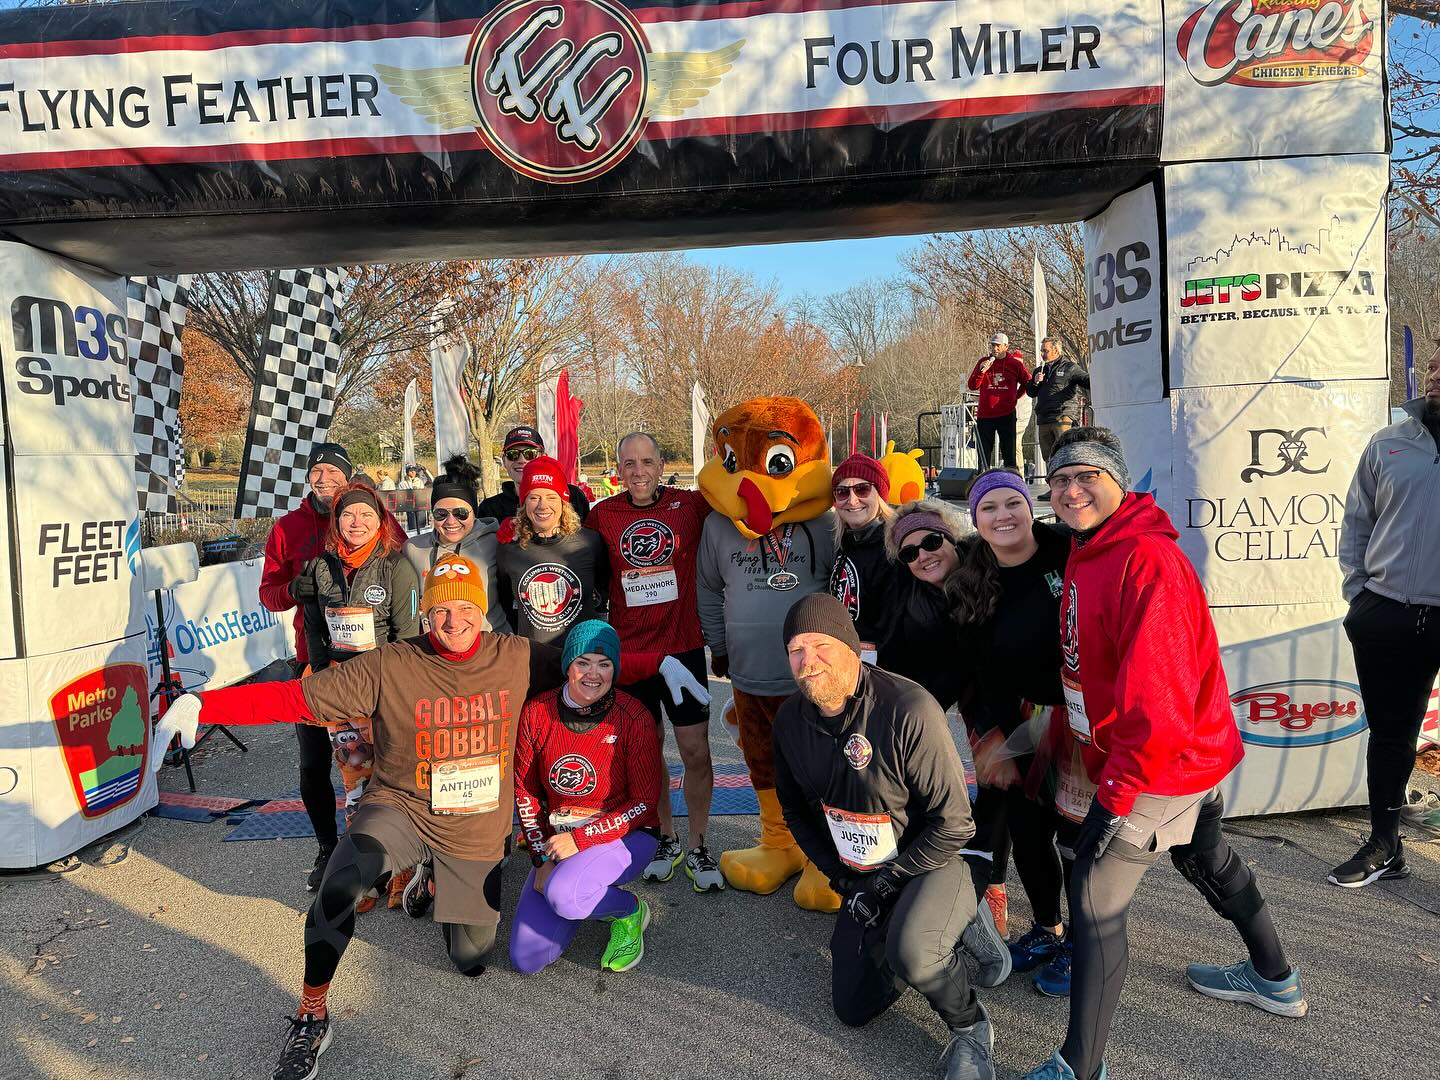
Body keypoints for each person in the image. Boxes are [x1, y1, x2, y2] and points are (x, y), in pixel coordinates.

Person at [150, 553, 708, 1080]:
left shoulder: (512, 655)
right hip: (403, 807)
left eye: (466, 607)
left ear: (482, 611)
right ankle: (311, 1013)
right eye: (441, 608)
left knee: (471, 956)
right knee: (341, 884)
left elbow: (586, 665)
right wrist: (207, 704)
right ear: (424, 612)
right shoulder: (392, 663)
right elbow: (302, 698)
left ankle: (438, 877)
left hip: (475, 827)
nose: (454, 619)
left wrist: (659, 664)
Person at [1017, 428, 1306, 1080]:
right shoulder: (1090, 548)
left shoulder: (1144, 561)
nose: (1070, 490)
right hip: (1163, 756)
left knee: (1093, 898)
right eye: (1060, 479)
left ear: (1120, 483)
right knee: (1209, 858)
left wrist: (1112, 804)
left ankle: (1080, 1065)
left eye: (1087, 476)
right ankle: (1275, 978)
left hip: (1160, 764)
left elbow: (1161, 708)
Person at [773, 594, 1009, 1080]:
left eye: (819, 645)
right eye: (795, 649)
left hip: (934, 860)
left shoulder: (908, 707)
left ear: (850, 646)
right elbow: (795, 811)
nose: (807, 660)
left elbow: (955, 823)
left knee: (915, 954)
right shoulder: (790, 722)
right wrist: (843, 880)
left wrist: (888, 882)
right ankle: (941, 928)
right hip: (862, 874)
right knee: (853, 1007)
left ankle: (970, 1027)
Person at [949, 468, 1074, 995]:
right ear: (976, 520)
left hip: (1077, 718)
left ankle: (1084, 945)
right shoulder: (972, 576)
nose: (1002, 516)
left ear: (1030, 506)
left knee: (1078, 841)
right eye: (989, 509)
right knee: (1027, 833)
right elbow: (978, 668)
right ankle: (1048, 927)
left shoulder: (1066, 549)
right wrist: (996, 736)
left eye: (1011, 503)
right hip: (1017, 720)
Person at [586, 432, 719, 891]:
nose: (638, 471)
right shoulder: (603, 514)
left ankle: (700, 844)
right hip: (633, 654)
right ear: (617, 470)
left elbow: (741, 504)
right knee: (649, 749)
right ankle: (667, 836)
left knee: (695, 750)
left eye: (646, 462)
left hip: (682, 647)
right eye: (629, 464)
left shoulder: (691, 506)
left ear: (662, 465)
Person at [1335, 342, 1440, 887]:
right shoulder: (1391, 442)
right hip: (1389, 614)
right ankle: (1385, 845)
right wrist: (1361, 595)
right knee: (1392, 735)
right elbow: (1357, 521)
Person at [511, 621, 662, 974]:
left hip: (627, 835)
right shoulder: (537, 712)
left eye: (604, 664)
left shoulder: (633, 716)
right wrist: (539, 860)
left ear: (615, 669)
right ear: (568, 666)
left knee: (565, 895)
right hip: (559, 838)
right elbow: (526, 791)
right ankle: (582, 894)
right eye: (584, 662)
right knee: (528, 959)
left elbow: (645, 803)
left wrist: (580, 840)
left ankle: (628, 910)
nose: (593, 674)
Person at [296, 482, 420, 910]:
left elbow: (408, 637)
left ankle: (403, 869)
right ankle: (367, 870)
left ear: (380, 520)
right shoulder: (320, 567)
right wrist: (322, 681)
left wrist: (391, 696)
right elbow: (313, 629)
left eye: (367, 515)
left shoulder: (396, 567)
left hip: (386, 691)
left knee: (396, 779)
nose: (357, 523)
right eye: (349, 515)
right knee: (356, 783)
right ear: (336, 520)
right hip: (340, 690)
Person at [257, 441, 355, 892]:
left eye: (334, 473)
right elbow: (269, 595)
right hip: (311, 660)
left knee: (374, 760)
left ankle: (377, 848)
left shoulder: (366, 514)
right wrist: (295, 588)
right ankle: (326, 847)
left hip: (366, 658)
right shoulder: (288, 528)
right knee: (315, 762)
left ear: (348, 478)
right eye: (318, 472)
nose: (325, 480)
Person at [496, 456, 609, 645]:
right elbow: (504, 600)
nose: (542, 505)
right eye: (534, 497)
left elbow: (604, 589)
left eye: (551, 497)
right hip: (532, 658)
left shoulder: (589, 541)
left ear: (563, 502)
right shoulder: (509, 548)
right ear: (524, 503)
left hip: (582, 657)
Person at [879, 500, 971, 714]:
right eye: (909, 553)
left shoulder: (988, 567)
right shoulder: (912, 609)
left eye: (931, 542)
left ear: (950, 538)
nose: (923, 556)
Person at [405, 455, 511, 635]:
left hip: (490, 643)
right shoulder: (413, 549)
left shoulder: (496, 543)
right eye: (440, 514)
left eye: (461, 513)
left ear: (474, 512)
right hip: (438, 647)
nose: (451, 521)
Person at [827, 453, 899, 661]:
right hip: (846, 659)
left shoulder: (893, 548)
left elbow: (895, 626)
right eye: (842, 492)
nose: (852, 500)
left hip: (879, 668)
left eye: (862, 489)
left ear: (879, 494)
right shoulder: (844, 543)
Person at [478, 425, 591, 526]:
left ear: (544, 457)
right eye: (513, 454)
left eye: (530, 453)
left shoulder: (574, 497)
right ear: (504, 460)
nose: (522, 460)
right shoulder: (489, 509)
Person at [1027, 337, 1090, 483]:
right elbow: (1030, 392)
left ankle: (1070, 484)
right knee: (1048, 456)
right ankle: (1054, 488)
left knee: (1065, 452)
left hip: (1062, 416)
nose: (1042, 354)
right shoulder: (1039, 369)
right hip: (1044, 418)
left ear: (1056, 350)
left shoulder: (1069, 367)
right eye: (1042, 350)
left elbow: (1086, 380)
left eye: (1045, 350)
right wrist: (1035, 382)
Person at [966, 333, 1031, 470]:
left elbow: (1027, 382)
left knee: (1009, 452)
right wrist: (981, 371)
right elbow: (972, 385)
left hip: (1006, 414)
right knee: (983, 453)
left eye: (998, 345)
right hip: (985, 414)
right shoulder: (983, 361)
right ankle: (984, 480)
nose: (995, 348)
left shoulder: (1014, 364)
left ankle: (1011, 481)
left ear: (1006, 347)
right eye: (993, 345)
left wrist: (1015, 397)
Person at [397, 464, 426, 533]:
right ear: (407, 472)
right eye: (410, 471)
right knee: (413, 527)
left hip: (420, 506)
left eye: (414, 470)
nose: (413, 472)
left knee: (422, 526)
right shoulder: (403, 483)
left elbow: (423, 493)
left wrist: (417, 490)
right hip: (410, 507)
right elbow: (400, 495)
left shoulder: (420, 481)